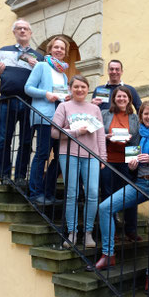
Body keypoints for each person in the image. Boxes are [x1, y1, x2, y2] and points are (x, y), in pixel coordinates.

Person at [89, 101, 149, 281]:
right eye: (146, 114)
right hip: (138, 183)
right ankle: (108, 255)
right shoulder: (136, 135)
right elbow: (131, 162)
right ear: (141, 117)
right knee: (105, 207)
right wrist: (131, 165)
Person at [51, 75, 106, 248]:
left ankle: (88, 233)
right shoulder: (64, 106)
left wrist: (102, 157)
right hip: (69, 155)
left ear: (87, 88)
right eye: (76, 87)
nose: (80, 90)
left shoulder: (94, 109)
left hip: (91, 156)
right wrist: (75, 132)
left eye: (83, 87)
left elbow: (100, 135)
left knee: (92, 193)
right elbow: (54, 132)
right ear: (70, 88)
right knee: (72, 194)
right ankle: (72, 232)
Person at [0, 18, 43, 185]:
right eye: (19, 28)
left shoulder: (38, 57)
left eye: (26, 28)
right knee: (4, 139)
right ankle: (5, 176)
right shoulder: (4, 52)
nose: (23, 31)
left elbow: (43, 81)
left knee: (26, 140)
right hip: (7, 101)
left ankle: (20, 176)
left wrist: (37, 67)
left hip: (28, 102)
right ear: (14, 32)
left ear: (30, 33)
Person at [24, 35, 69, 205]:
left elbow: (62, 95)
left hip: (60, 119)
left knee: (59, 157)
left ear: (65, 53)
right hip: (44, 116)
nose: (59, 50)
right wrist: (46, 94)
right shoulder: (42, 66)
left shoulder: (63, 75)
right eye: (56, 47)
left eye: (62, 48)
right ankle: (35, 193)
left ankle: (49, 192)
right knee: (42, 154)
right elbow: (28, 88)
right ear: (50, 49)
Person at [100, 86, 140, 241]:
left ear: (129, 99)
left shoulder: (134, 117)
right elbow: (97, 134)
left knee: (129, 195)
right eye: (119, 96)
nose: (122, 99)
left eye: (125, 97)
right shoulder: (104, 114)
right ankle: (112, 231)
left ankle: (131, 230)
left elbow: (136, 139)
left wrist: (133, 161)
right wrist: (106, 136)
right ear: (114, 99)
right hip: (108, 160)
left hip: (126, 161)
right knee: (107, 194)